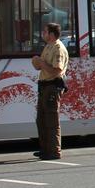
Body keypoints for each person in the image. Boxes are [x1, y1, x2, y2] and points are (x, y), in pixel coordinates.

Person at [31, 22, 69, 161]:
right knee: (41, 119)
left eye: (45, 32)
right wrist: (37, 63)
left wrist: (41, 63)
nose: (43, 34)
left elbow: (56, 70)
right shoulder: (48, 46)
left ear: (52, 34)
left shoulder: (58, 48)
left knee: (51, 120)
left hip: (52, 86)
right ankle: (45, 149)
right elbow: (41, 66)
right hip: (44, 86)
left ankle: (54, 151)